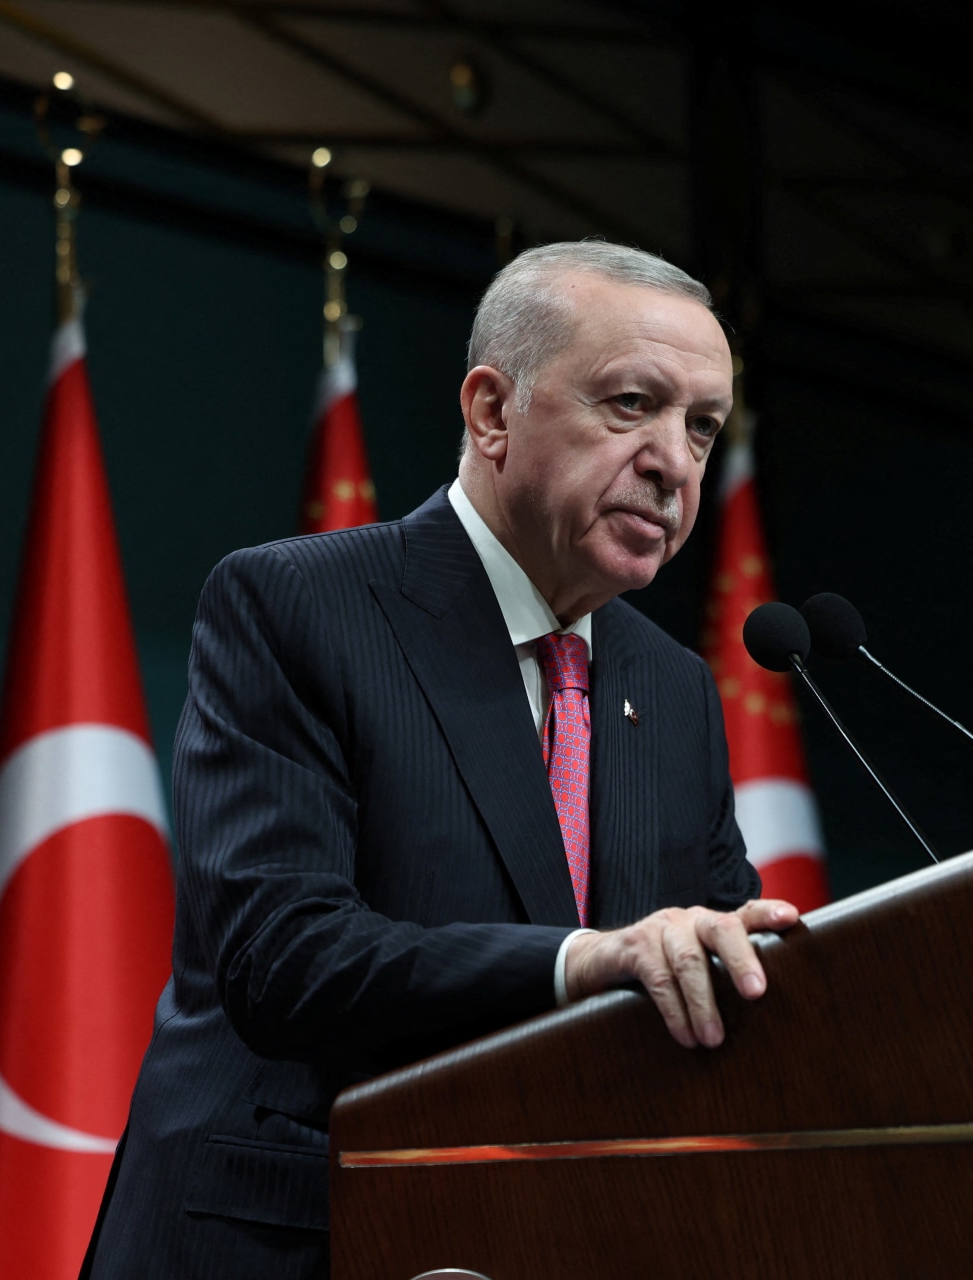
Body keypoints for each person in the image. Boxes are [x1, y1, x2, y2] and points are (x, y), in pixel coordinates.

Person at [80, 241, 799, 1279]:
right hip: (294, 1234)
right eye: (632, 403)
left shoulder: (676, 689)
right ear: (492, 411)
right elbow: (281, 955)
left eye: (701, 427)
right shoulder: (298, 604)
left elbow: (704, 972)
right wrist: (577, 960)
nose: (674, 460)